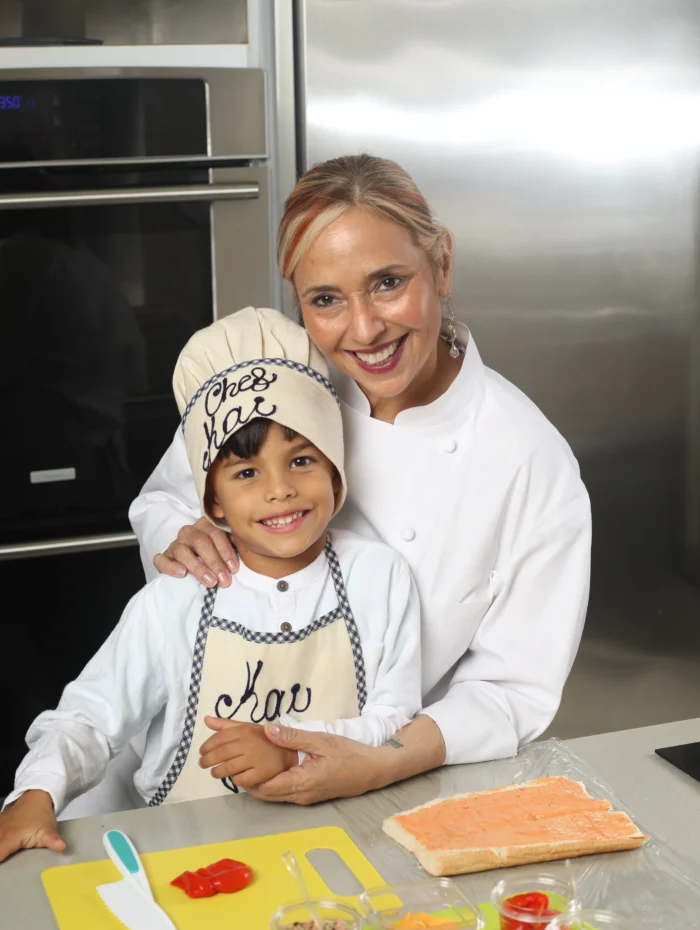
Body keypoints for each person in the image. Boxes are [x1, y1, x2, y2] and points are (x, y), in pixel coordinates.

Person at [130, 153, 592, 805]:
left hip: (376, 780)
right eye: (326, 299)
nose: (366, 329)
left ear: (443, 263)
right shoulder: (274, 379)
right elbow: (164, 499)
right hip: (192, 755)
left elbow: (512, 687)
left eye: (388, 282)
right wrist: (184, 534)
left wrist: (379, 761)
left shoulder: (527, 458)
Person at [0, 307, 421, 875]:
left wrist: (289, 747)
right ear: (211, 502)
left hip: (341, 849)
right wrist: (34, 798)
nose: (281, 491)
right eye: (246, 473)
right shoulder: (175, 602)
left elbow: (395, 718)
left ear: (337, 469)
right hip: (188, 854)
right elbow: (88, 719)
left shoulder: (380, 577)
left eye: (302, 459)